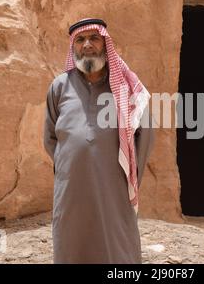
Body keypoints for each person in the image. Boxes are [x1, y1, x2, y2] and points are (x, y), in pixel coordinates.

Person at [43, 18, 154, 264]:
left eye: (94, 38)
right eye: (80, 39)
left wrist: (127, 173)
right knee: (72, 243)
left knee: (117, 247)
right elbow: (50, 138)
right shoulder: (60, 87)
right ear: (74, 46)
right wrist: (71, 165)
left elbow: (144, 134)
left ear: (105, 42)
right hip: (71, 186)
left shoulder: (125, 87)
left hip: (113, 184)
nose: (87, 45)